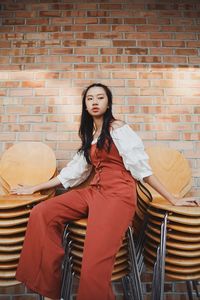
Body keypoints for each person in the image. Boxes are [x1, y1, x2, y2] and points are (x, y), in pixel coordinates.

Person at [11, 83, 199, 300]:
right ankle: (50, 288)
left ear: (108, 103)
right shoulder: (91, 134)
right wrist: (35, 187)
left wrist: (173, 198)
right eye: (90, 99)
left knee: (93, 264)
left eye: (100, 98)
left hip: (118, 196)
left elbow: (142, 170)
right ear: (85, 105)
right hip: (95, 191)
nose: (94, 102)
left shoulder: (118, 128)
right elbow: (73, 173)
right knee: (42, 212)